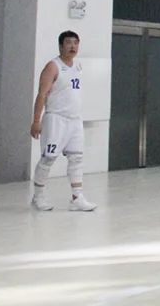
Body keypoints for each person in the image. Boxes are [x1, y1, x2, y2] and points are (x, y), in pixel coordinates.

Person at [29, 31, 96, 212]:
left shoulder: (78, 66)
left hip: (74, 120)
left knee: (77, 158)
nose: (73, 46)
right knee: (48, 158)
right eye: (69, 43)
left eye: (76, 43)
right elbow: (42, 94)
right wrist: (36, 121)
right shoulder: (53, 66)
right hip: (56, 119)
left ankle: (77, 197)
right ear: (60, 46)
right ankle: (38, 196)